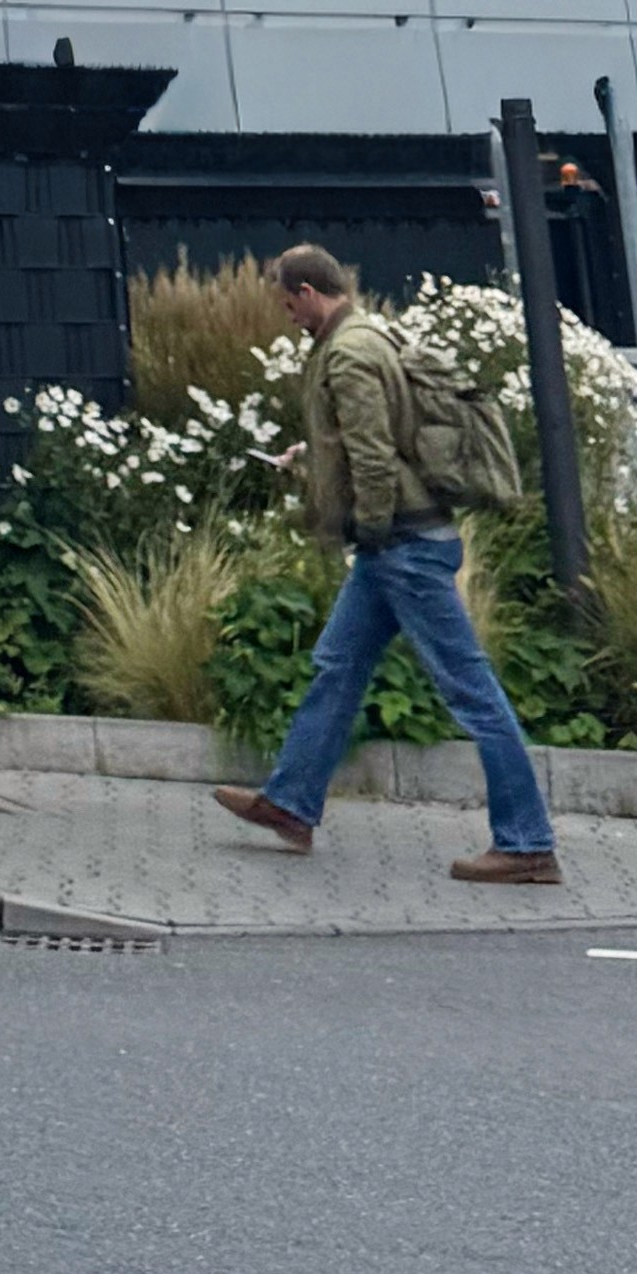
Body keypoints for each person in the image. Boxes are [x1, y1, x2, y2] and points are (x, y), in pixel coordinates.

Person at [219, 244, 559, 884]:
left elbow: (373, 456)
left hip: (401, 547)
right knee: (337, 668)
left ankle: (527, 844)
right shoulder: (371, 333)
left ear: (309, 293)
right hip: (398, 546)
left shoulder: (347, 353)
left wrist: (367, 529)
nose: (289, 316)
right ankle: (291, 805)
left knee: (472, 692)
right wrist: (313, 455)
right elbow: (372, 439)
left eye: (289, 303)